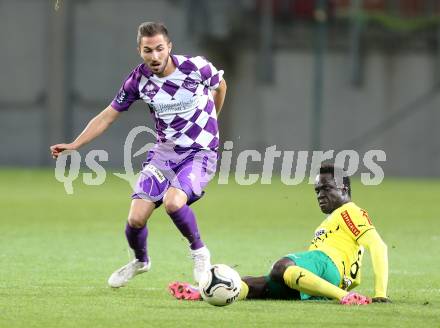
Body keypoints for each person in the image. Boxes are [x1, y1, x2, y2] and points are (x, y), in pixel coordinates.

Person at [50, 22, 227, 287]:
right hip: (164, 154)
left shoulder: (196, 67)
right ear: (139, 51)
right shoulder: (139, 80)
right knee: (135, 218)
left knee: (173, 202)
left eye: (159, 49)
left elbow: (221, 86)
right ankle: (140, 261)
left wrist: (213, 120)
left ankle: (200, 253)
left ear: (169, 47)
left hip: (200, 152)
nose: (154, 56)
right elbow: (108, 116)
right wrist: (76, 144)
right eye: (148, 50)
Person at [169, 164, 390, 305]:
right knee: (257, 286)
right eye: (317, 191)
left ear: (343, 189)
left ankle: (345, 298)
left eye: (326, 189)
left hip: (327, 264)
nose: (320, 195)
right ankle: (203, 292)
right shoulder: (335, 217)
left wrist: (380, 294)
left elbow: (378, 246)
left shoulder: (350, 211)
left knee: (281, 267)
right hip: (328, 279)